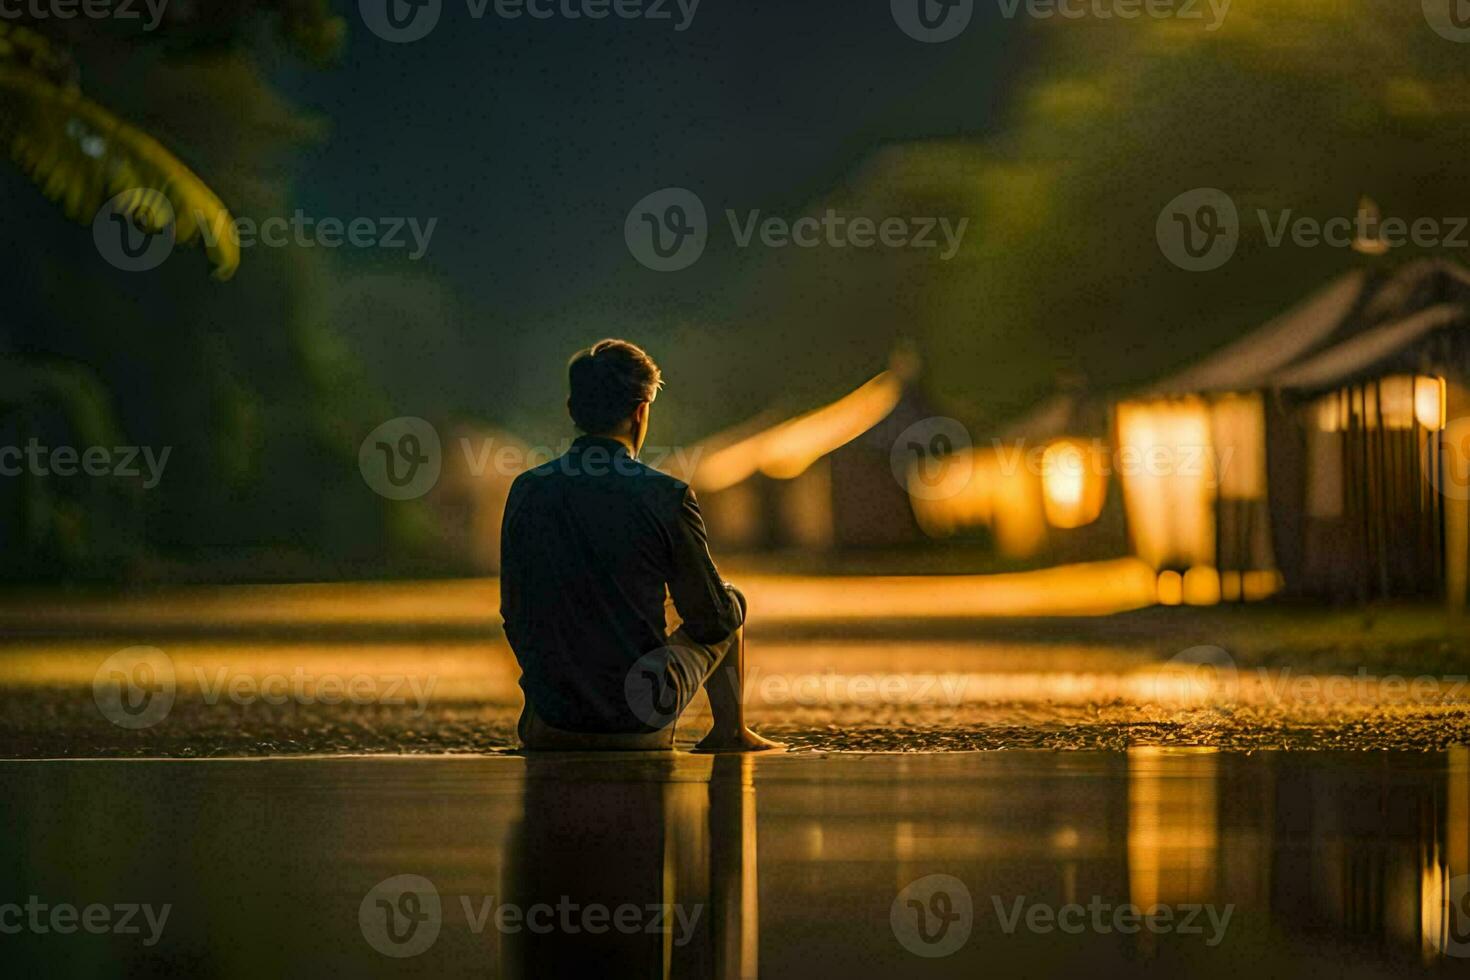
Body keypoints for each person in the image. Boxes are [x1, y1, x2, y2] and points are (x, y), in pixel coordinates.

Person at [500, 338, 781, 753]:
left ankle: (553, 717)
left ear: (573, 411)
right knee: (729, 601)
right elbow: (711, 619)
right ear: (640, 411)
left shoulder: (527, 490)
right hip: (636, 722)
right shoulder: (665, 495)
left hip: (550, 721)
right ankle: (730, 733)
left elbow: (514, 613)